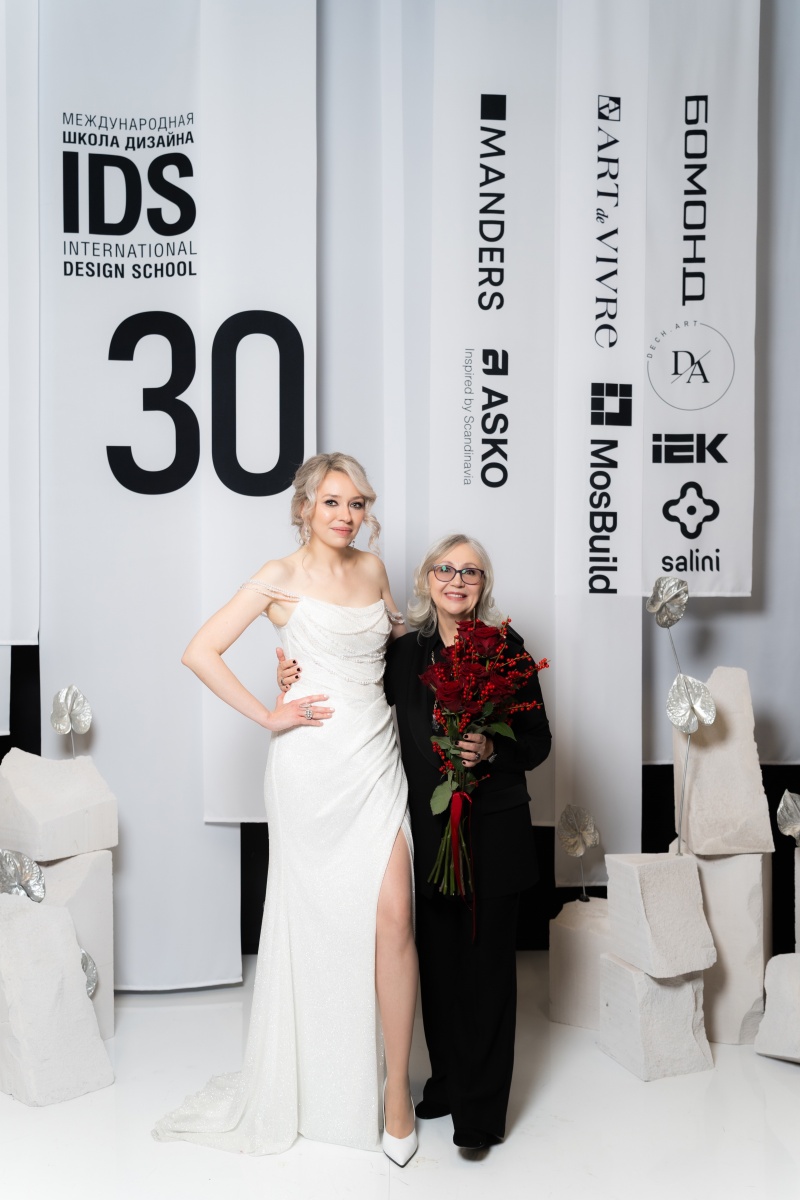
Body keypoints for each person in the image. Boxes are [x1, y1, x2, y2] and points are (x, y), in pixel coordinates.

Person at [153, 453, 418, 1167]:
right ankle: (319, 1085)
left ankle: (396, 1092)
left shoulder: (374, 570)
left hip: (375, 756)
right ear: (304, 507)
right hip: (310, 767)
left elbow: (395, 658)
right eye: (332, 502)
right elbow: (200, 651)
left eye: (357, 503)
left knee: (394, 917)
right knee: (318, 925)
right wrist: (271, 711)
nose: (346, 515)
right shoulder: (277, 575)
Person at [279, 532, 550, 1151]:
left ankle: (480, 1113)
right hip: (427, 835)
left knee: (486, 976)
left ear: (483, 585)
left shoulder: (507, 650)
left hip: (494, 836)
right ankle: (448, 1082)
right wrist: (291, 672)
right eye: (445, 569)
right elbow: (351, 692)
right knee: (441, 970)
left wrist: (491, 748)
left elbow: (538, 742)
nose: (457, 580)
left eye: (470, 572)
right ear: (428, 579)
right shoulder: (403, 654)